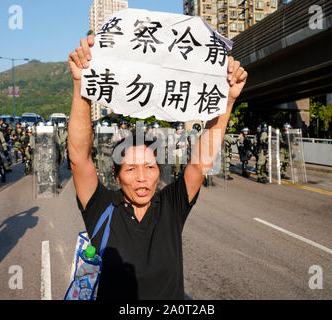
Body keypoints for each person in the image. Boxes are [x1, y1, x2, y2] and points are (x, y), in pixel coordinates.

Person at [67, 34, 247, 300]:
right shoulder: (102, 208)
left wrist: (228, 101)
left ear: (158, 172)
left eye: (150, 167)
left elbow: (199, 164)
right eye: (130, 169)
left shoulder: (171, 207)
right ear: (116, 176)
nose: (142, 178)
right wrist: (81, 84)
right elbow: (79, 158)